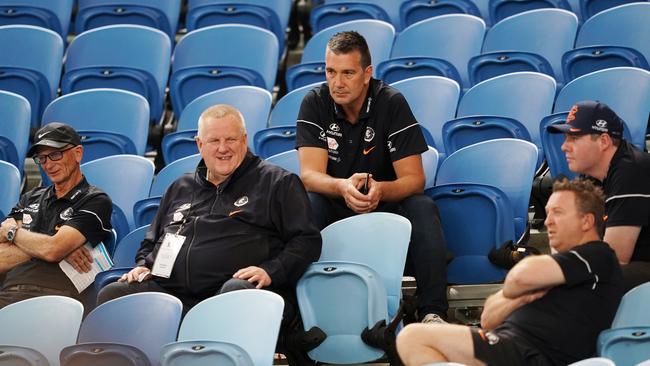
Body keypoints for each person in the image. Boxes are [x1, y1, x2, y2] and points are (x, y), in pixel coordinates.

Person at [97, 104, 322, 314]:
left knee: (235, 292)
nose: (223, 148)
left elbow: (306, 240)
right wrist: (143, 266)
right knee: (114, 293)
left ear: (244, 140)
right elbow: (149, 243)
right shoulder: (179, 187)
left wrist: (271, 270)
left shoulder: (278, 182)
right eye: (214, 140)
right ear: (199, 144)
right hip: (171, 292)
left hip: (233, 290)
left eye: (231, 139)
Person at [295, 30, 448, 323]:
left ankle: (433, 313)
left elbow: (415, 179)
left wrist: (380, 191)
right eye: (331, 72)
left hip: (385, 205)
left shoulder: (390, 102)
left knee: (422, 206)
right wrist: (341, 187)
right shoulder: (314, 102)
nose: (337, 83)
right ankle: (301, 316)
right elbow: (309, 175)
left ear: (367, 74)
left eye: (348, 73)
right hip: (335, 202)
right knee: (307, 203)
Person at [396, 178, 623, 366]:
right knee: (412, 341)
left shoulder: (597, 255)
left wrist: (524, 284)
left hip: (534, 354)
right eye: (548, 213)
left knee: (412, 338)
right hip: (506, 345)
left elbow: (518, 277)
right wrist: (523, 296)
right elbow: (488, 317)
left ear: (586, 221)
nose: (549, 222)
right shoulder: (553, 270)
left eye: (558, 212)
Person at [0, 122, 113, 308]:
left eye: (55, 154)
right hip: (7, 292)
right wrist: (51, 246)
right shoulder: (30, 197)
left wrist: (13, 233)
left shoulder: (95, 199)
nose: (48, 164)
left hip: (52, 300)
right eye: (42, 158)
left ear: (78, 153)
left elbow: (53, 250)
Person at [548, 100, 650, 292]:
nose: (564, 147)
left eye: (573, 138)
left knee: (585, 280)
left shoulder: (631, 171)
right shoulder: (592, 176)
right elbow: (562, 241)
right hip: (635, 267)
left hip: (640, 267)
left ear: (603, 141)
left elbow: (615, 257)